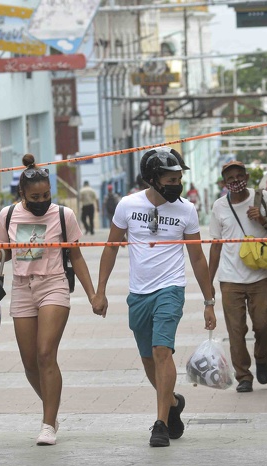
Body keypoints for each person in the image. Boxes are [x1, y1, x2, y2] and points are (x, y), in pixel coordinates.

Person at [91, 147, 217, 447]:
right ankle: (172, 403)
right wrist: (100, 291)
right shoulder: (127, 205)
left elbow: (198, 258)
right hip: (139, 293)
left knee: (163, 351)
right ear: (152, 179)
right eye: (170, 178)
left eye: (179, 178)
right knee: (148, 359)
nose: (177, 184)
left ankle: (160, 423)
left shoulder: (186, 210)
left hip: (171, 289)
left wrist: (209, 301)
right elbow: (110, 247)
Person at [0, 154, 96, 446]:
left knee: (45, 354)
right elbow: (3, 250)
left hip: (53, 285)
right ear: (22, 195)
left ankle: (47, 423)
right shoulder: (8, 215)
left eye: (46, 195)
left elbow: (76, 256)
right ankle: (52, 409)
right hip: (21, 288)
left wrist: (94, 294)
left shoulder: (63, 216)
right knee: (29, 363)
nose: (41, 201)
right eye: (35, 197)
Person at [208, 161, 267, 393]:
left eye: (239, 176)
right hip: (230, 278)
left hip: (260, 276)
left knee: (263, 324)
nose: (235, 181)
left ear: (247, 176)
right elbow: (215, 246)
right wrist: (208, 282)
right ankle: (243, 375)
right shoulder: (219, 207)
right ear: (224, 183)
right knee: (235, 329)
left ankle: (261, 357)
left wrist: (263, 220)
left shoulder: (262, 198)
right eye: (229, 178)